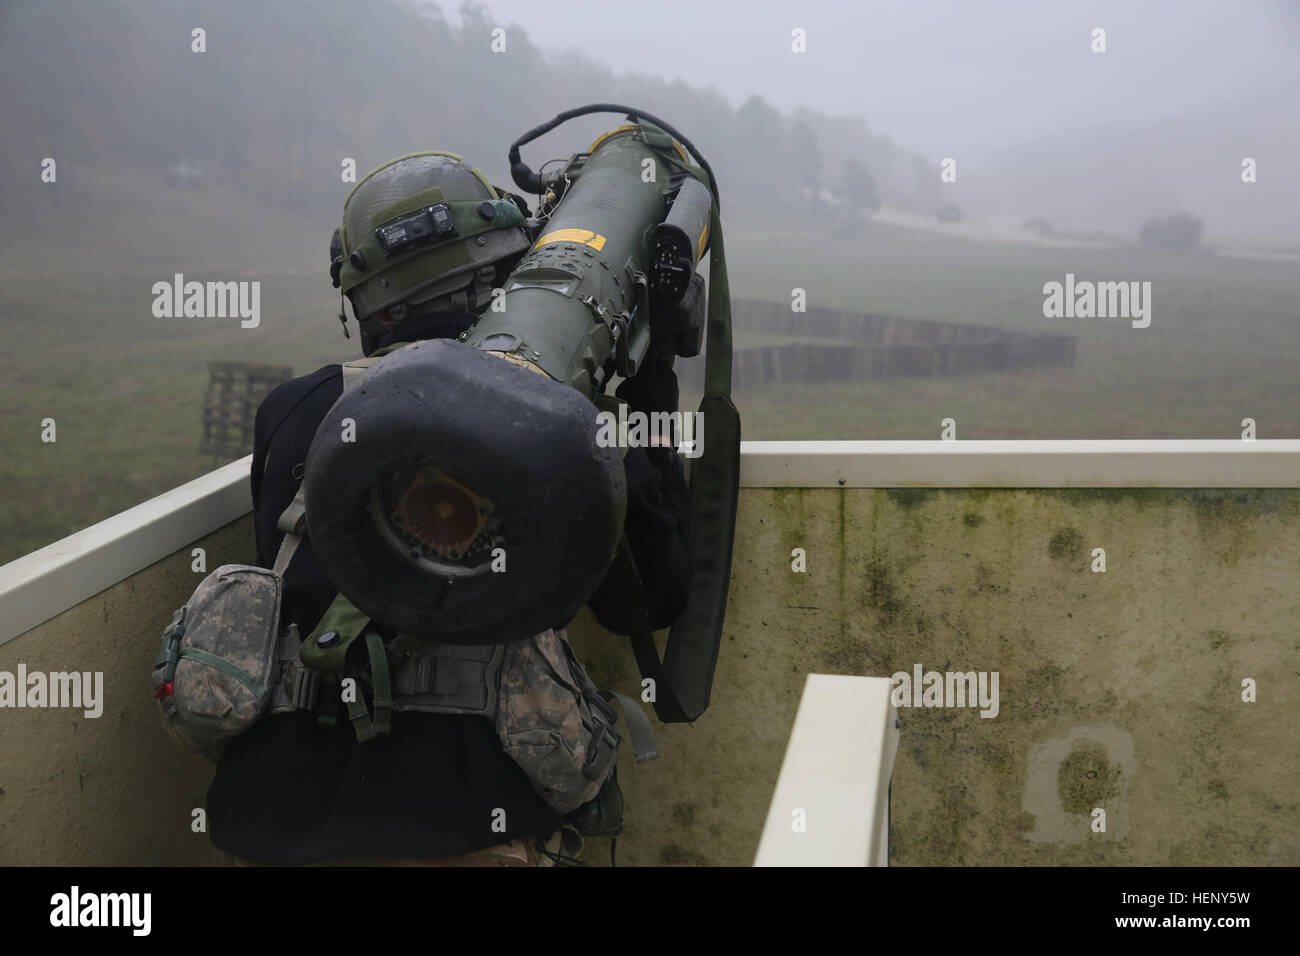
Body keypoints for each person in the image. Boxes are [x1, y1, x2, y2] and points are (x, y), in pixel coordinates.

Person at [204, 151, 692, 866]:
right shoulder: (556, 417)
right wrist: (648, 389)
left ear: (363, 300)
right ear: (504, 273)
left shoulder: (294, 410)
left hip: (278, 819)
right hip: (471, 825)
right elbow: (653, 599)